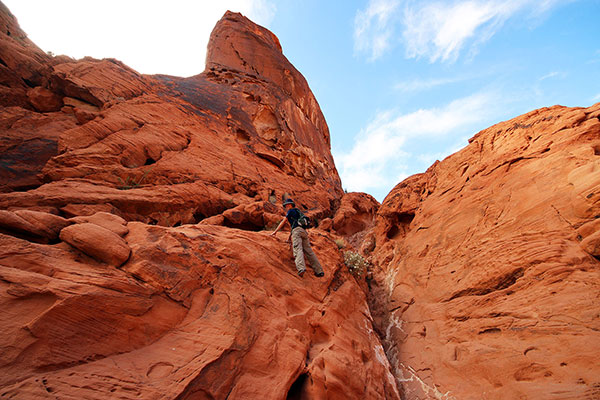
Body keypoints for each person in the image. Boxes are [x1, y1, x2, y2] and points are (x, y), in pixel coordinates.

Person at [270, 198, 324, 277]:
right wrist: (289, 238)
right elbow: (294, 227)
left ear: (290, 205)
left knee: (297, 249)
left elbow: (284, 221)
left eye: (287, 205)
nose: (286, 207)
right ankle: (319, 271)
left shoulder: (290, 211)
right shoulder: (298, 212)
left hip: (297, 232)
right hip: (303, 232)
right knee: (309, 252)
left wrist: (275, 232)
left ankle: (301, 268)